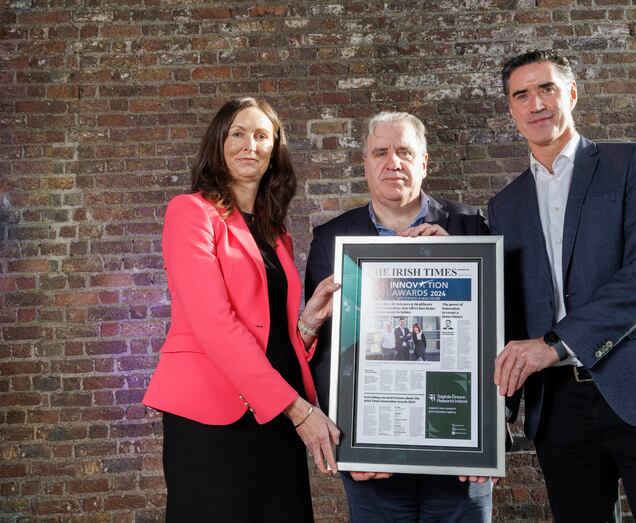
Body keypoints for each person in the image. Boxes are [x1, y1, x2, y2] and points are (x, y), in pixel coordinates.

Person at [489, 49, 636, 522]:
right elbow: (506, 311)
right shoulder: (505, 205)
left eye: (546, 88)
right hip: (558, 409)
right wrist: (498, 409)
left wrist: (555, 343)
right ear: (511, 110)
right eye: (521, 95)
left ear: (571, 92)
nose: (536, 104)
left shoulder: (630, 162)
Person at [142, 97, 341, 522]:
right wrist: (299, 410)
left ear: (274, 152)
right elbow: (214, 324)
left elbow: (270, 332)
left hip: (275, 416)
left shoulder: (276, 234)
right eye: (237, 133)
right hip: (212, 420)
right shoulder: (190, 212)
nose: (249, 144)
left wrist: (308, 323)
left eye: (261, 135)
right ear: (219, 143)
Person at [305, 111, 492, 522]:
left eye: (405, 151)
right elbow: (323, 351)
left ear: (424, 162)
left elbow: (500, 331)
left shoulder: (470, 226)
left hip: (461, 456)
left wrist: (488, 433)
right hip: (373, 457)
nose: (393, 162)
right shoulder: (330, 240)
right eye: (380, 152)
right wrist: (348, 442)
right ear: (366, 165)